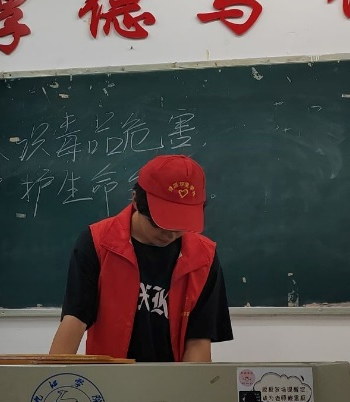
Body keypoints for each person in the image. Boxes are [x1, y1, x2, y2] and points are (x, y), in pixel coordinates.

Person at [49, 154, 233, 363]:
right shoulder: (98, 243)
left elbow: (198, 340)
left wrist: (191, 384)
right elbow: (75, 320)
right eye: (159, 225)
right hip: (109, 376)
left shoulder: (204, 257)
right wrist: (52, 377)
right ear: (136, 200)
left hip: (175, 379)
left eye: (181, 226)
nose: (170, 235)